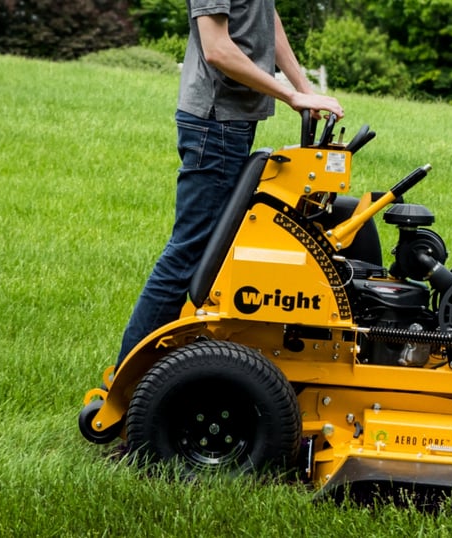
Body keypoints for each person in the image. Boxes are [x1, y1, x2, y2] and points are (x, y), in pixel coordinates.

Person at [114, 1, 344, 371]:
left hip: (232, 121)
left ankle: (176, 366)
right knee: (191, 252)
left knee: (214, 250)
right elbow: (217, 48)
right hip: (215, 123)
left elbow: (266, 18)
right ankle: (125, 387)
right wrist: (289, 94)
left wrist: (303, 88)